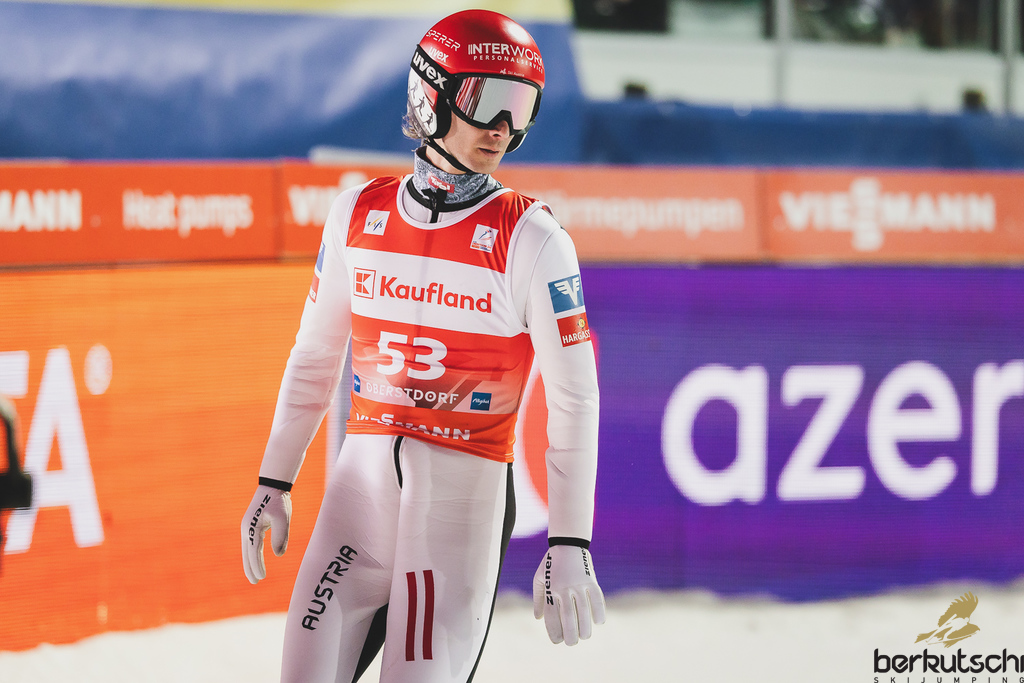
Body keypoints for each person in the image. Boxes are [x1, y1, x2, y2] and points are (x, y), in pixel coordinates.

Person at [240, 9, 605, 682]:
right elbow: (313, 358)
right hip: (360, 496)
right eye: (487, 100)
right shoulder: (355, 212)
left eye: (522, 105)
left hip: (463, 500)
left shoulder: (534, 239)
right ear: (429, 94)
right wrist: (274, 479)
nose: (503, 127)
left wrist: (570, 540)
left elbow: (576, 398)